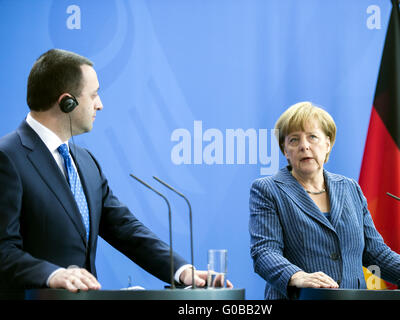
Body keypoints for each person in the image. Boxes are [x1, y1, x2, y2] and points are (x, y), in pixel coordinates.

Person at [0, 48, 229, 292]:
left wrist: (183, 271)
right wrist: (52, 275)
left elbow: (125, 229)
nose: (100, 105)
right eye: (94, 94)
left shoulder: (86, 162)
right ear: (67, 102)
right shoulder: (7, 157)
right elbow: (3, 250)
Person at [248, 101, 400, 299]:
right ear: (285, 150)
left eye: (312, 137)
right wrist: (297, 276)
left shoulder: (350, 188)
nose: (304, 146)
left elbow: (376, 253)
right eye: (294, 140)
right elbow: (265, 251)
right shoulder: (268, 189)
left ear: (328, 144)